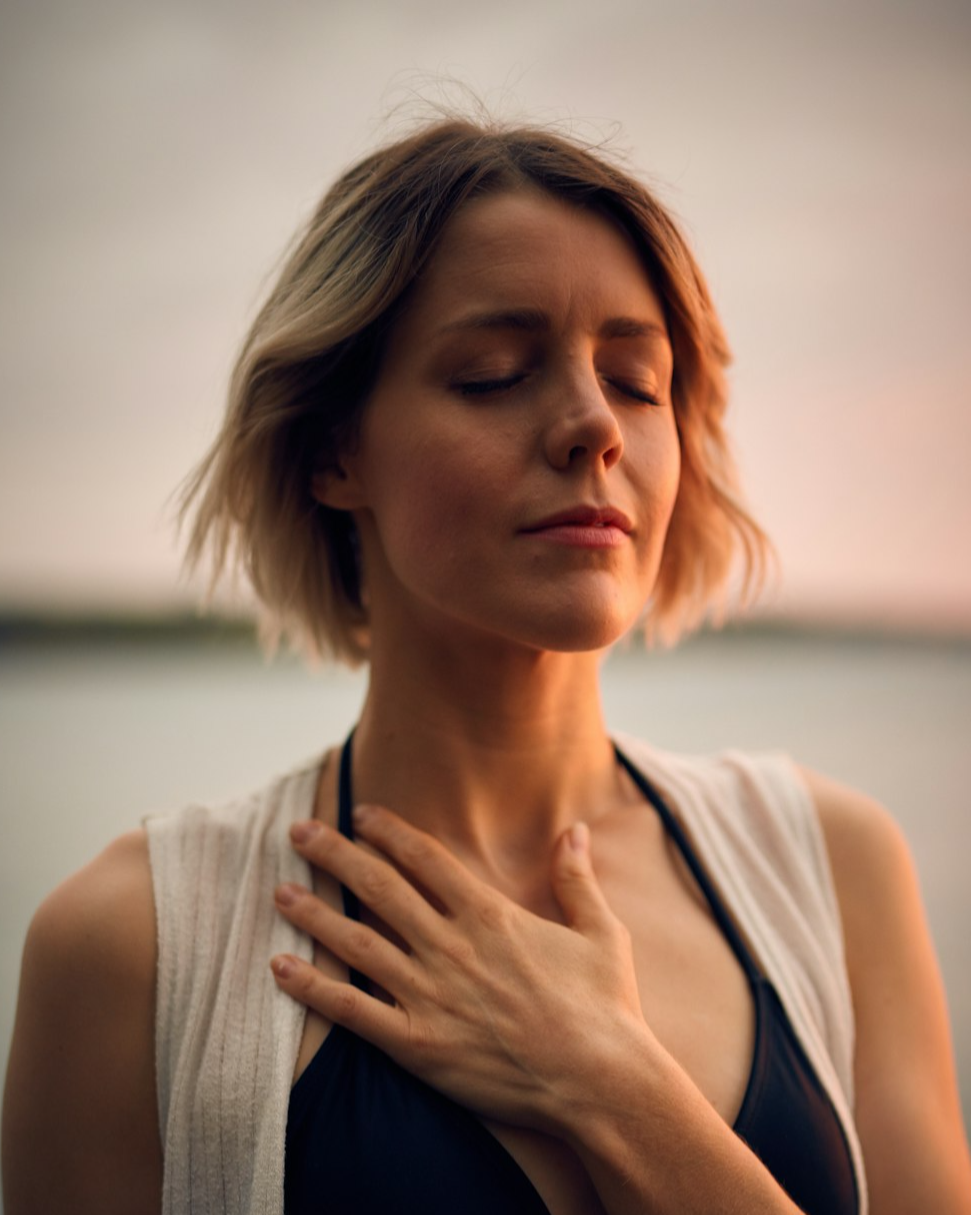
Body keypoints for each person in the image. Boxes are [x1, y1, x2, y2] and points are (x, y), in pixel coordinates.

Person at [3, 115, 970, 1215]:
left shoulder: (831, 870)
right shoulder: (134, 949)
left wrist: (611, 1084)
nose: (592, 425)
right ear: (333, 451)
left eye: (635, 380)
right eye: (493, 375)